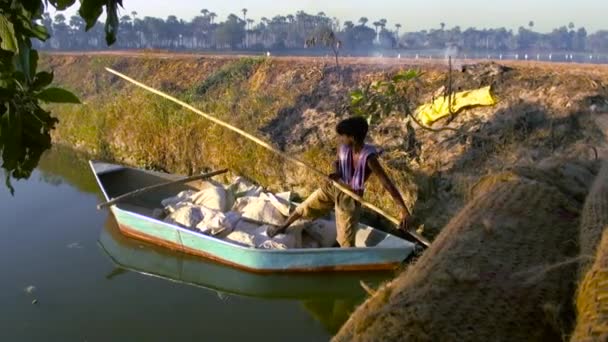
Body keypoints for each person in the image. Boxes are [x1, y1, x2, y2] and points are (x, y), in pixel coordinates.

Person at [267, 116, 411, 247]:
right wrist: (336, 172)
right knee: (304, 208)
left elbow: (387, 184)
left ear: (352, 137)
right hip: (334, 186)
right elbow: (336, 162)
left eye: (342, 136)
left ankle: (341, 256)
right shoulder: (344, 148)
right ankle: (283, 227)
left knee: (346, 242)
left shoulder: (369, 158)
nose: (340, 139)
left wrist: (403, 210)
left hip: (350, 197)